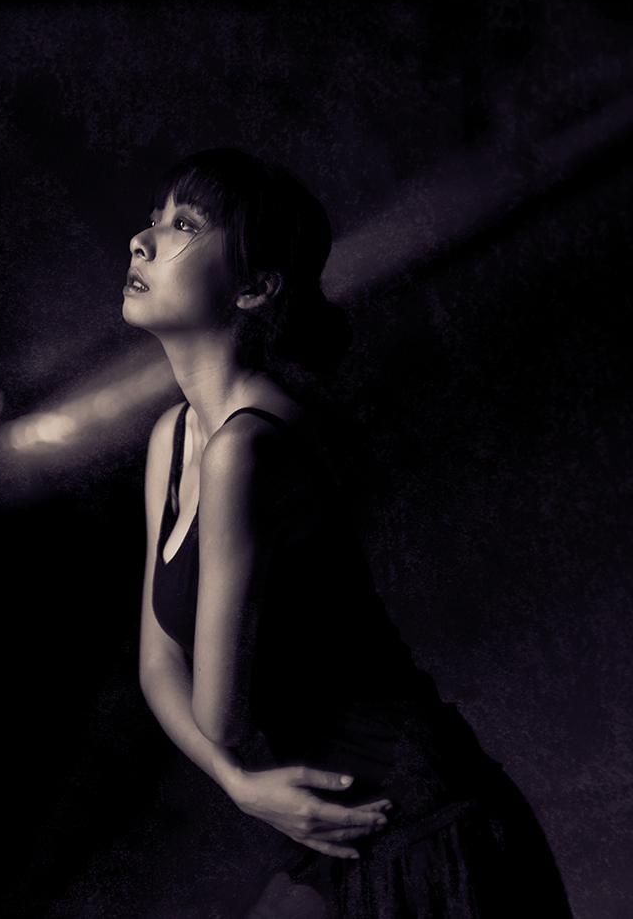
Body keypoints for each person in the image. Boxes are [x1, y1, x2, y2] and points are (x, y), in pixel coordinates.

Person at [122, 149, 572, 918]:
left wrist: (239, 772)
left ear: (254, 288)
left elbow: (221, 716)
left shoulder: (243, 450)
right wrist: (238, 785)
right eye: (155, 219)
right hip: (339, 823)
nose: (142, 239)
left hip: (421, 821)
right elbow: (157, 662)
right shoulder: (174, 436)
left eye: (184, 225)